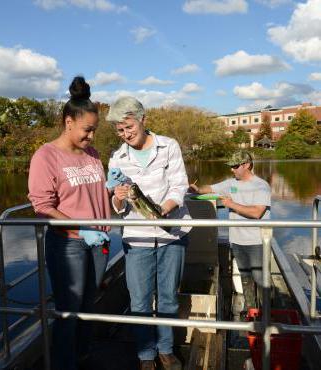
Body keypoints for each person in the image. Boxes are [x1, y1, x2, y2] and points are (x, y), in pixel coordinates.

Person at [28, 76, 111, 370]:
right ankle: (65, 363)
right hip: (68, 244)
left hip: (98, 241)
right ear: (68, 123)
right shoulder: (46, 156)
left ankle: (84, 356)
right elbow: (43, 206)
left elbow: (96, 194)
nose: (91, 137)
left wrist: (114, 191)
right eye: (87, 130)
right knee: (69, 308)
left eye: (94, 130)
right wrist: (81, 227)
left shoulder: (92, 155)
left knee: (90, 305)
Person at [106, 96, 191, 370]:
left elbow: (180, 185)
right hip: (137, 237)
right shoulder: (117, 158)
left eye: (129, 127)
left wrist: (163, 210)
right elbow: (117, 206)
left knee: (168, 295)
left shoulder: (169, 146)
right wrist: (118, 198)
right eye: (119, 130)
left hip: (172, 233)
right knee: (139, 298)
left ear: (143, 120)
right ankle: (145, 354)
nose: (125, 134)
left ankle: (166, 349)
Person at [189, 150, 271, 309]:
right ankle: (250, 309)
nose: (232, 169)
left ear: (247, 165)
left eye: (235, 166)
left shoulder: (261, 186)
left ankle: (265, 314)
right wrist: (197, 190)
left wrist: (231, 204)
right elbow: (211, 188)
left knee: (261, 280)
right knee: (245, 277)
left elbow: (257, 212)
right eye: (231, 166)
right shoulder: (231, 183)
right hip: (237, 241)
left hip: (257, 242)